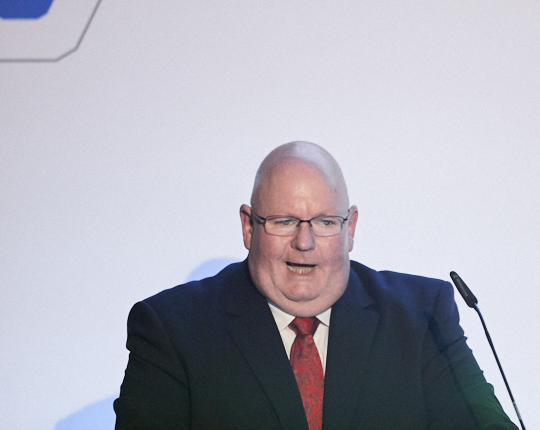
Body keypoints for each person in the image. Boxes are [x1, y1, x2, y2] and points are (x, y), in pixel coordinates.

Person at [114, 141, 516, 430]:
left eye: (324, 222)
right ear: (249, 227)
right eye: (284, 221)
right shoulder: (172, 328)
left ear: (350, 227)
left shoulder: (421, 316)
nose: (304, 243)